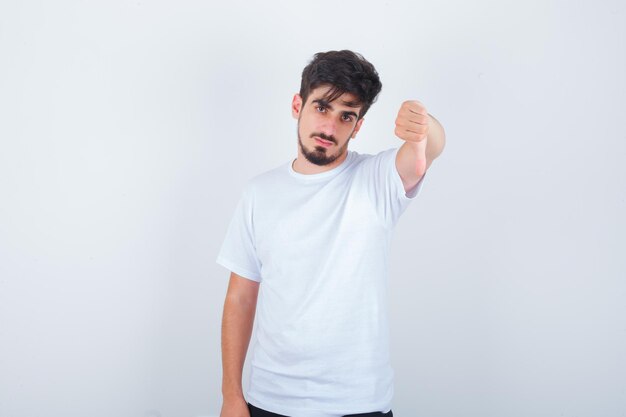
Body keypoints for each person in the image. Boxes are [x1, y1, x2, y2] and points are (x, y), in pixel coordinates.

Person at [217, 50, 446, 417]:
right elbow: (240, 299)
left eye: (346, 116)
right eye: (322, 107)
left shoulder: (376, 180)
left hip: (359, 404)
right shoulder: (259, 193)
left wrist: (425, 127)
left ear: (358, 126)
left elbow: (427, 152)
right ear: (298, 104)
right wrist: (232, 396)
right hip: (270, 400)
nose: (329, 128)